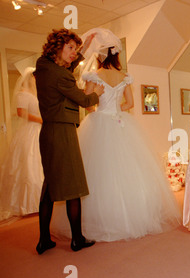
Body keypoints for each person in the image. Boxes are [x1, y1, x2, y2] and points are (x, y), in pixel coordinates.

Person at [51, 28, 180, 242]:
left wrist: (100, 110)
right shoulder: (124, 77)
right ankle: (133, 216)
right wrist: (115, 108)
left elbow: (87, 101)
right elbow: (129, 103)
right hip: (120, 122)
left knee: (97, 171)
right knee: (129, 170)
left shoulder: (95, 76)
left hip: (99, 121)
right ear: (115, 55)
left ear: (100, 55)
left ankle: (101, 221)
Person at [34, 28, 104, 254]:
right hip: (62, 133)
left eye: (75, 48)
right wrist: (98, 94)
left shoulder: (43, 67)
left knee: (50, 188)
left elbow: (66, 69)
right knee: (73, 186)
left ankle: (44, 240)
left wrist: (83, 49)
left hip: (48, 133)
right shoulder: (60, 76)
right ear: (58, 47)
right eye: (70, 48)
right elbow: (84, 100)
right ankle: (77, 239)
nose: (74, 53)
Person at [0, 67, 43, 221]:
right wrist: (40, 120)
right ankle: (27, 203)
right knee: (28, 164)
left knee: (40, 163)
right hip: (30, 131)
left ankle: (42, 200)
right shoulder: (23, 93)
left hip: (39, 130)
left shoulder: (37, 94)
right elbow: (20, 112)